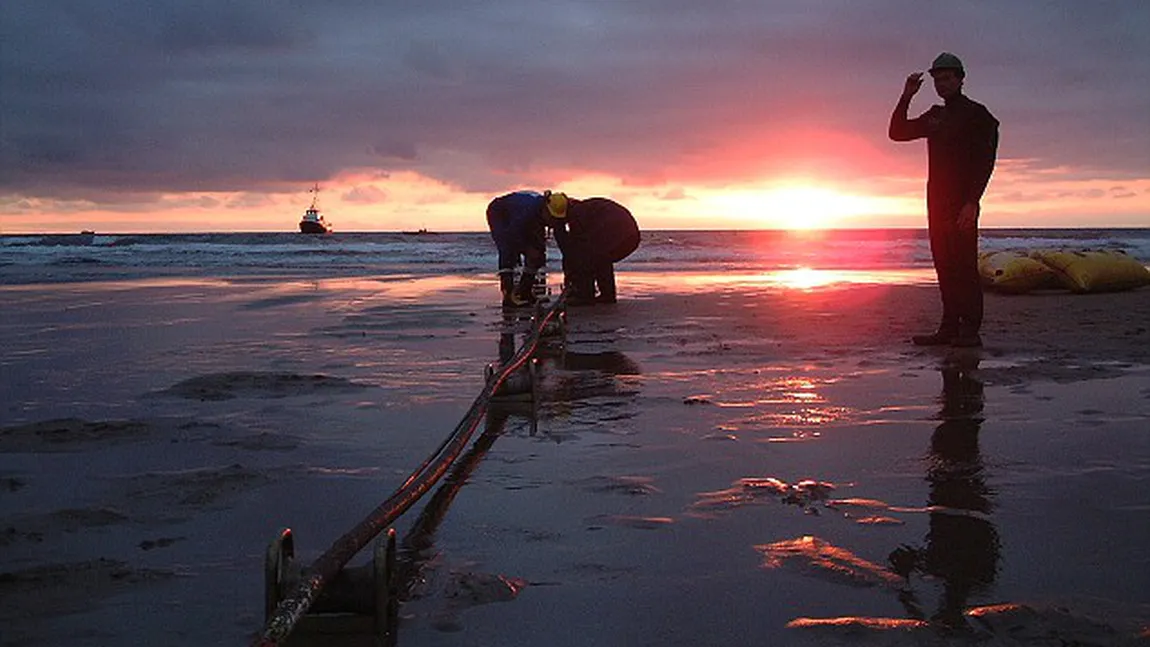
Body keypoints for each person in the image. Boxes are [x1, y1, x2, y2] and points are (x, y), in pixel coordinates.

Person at [889, 52, 999, 347]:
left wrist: (972, 202)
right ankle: (949, 327)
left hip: (963, 201)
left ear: (961, 79)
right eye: (937, 79)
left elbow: (986, 162)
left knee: (964, 264)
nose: (942, 84)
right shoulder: (935, 116)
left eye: (947, 78)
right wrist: (906, 96)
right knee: (944, 264)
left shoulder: (979, 115)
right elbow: (897, 133)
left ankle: (970, 330)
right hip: (936, 200)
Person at [544, 193, 640, 305]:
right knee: (600, 258)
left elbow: (572, 253)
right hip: (631, 235)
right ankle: (607, 295)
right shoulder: (583, 209)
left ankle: (585, 295)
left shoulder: (578, 216)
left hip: (622, 234)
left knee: (586, 256)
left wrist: (558, 229)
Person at [485, 190, 552, 307]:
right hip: (499, 212)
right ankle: (508, 295)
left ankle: (525, 291)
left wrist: (537, 251)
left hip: (518, 212)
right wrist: (525, 248)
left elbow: (539, 243)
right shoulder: (526, 213)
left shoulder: (543, 210)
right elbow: (513, 234)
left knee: (537, 251)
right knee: (507, 248)